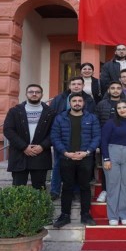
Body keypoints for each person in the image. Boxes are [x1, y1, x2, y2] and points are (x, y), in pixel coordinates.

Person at [51, 93, 101, 228]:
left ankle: (85, 214)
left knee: (85, 187)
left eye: (80, 101)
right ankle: (64, 215)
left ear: (83, 103)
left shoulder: (92, 118)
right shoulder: (60, 118)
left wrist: (87, 152)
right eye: (74, 101)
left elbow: (96, 136)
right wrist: (66, 152)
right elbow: (55, 137)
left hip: (85, 158)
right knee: (67, 187)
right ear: (70, 102)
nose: (77, 103)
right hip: (66, 157)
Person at [49, 76, 96, 200]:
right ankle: (55, 191)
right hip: (63, 139)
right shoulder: (59, 98)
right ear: (69, 86)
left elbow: (92, 117)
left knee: (78, 169)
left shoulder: (89, 100)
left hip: (81, 138)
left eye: (79, 84)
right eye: (73, 84)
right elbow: (52, 115)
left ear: (82, 86)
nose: (76, 86)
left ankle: (76, 192)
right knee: (58, 167)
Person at [3, 84, 56, 190]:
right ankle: (17, 208)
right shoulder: (15, 111)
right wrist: (24, 147)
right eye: (31, 92)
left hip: (41, 154)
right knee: (18, 189)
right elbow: (8, 130)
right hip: (19, 154)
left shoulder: (50, 112)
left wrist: (42, 146)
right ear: (26, 94)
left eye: (37, 92)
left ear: (42, 94)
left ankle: (40, 207)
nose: (34, 94)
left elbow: (54, 132)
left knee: (39, 189)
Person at [101, 100, 126, 226]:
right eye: (119, 108)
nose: (122, 109)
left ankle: (124, 214)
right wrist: (106, 158)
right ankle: (113, 215)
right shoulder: (111, 123)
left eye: (124, 107)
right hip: (113, 153)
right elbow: (104, 141)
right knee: (113, 185)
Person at [94, 81, 124, 203]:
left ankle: (121, 192)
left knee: (123, 170)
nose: (115, 90)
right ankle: (106, 190)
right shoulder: (101, 104)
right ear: (108, 90)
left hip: (124, 141)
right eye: (113, 88)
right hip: (106, 141)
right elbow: (97, 122)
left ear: (121, 90)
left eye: (118, 88)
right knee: (108, 168)